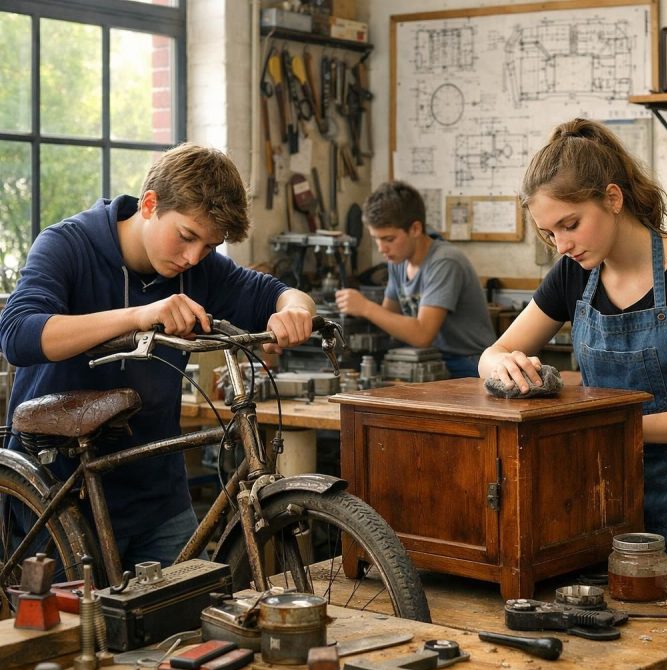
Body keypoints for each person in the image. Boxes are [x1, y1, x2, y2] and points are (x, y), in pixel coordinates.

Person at [0, 143, 316, 568]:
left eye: (209, 246)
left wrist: (297, 310)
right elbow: (17, 333)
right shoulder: (67, 245)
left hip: (158, 495)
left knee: (182, 619)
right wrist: (138, 316)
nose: (192, 258)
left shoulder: (198, 270)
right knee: (80, 635)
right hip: (62, 488)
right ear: (149, 204)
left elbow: (276, 293)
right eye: (187, 237)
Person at [479, 118, 667, 568]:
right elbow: (493, 352)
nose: (561, 244)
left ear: (613, 199)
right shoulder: (573, 275)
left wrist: (619, 429)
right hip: (607, 507)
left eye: (570, 224)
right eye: (550, 233)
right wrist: (500, 366)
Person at [334, 181, 496, 379]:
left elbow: (422, 335)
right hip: (428, 359)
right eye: (376, 239)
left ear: (415, 229)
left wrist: (366, 307)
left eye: (389, 239)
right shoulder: (398, 260)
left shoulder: (444, 262)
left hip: (467, 365)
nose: (381, 249)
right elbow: (389, 317)